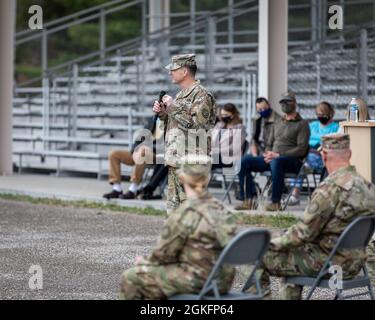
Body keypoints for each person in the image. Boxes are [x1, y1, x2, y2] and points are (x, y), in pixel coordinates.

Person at [249, 133, 375, 299]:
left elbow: (302, 234)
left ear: (323, 155)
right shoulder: (368, 186)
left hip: (327, 264)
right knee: (293, 256)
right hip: (354, 264)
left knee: (256, 256)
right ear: (349, 154)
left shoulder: (330, 189)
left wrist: (269, 243)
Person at [119, 155, 237, 300]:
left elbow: (162, 255)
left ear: (181, 178)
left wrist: (142, 262)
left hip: (198, 281)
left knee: (131, 277)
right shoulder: (222, 209)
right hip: (223, 281)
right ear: (208, 178)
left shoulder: (185, 213)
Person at [153, 54, 216, 215]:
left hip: (191, 163)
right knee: (174, 213)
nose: (170, 73)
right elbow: (175, 126)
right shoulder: (181, 96)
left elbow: (198, 126)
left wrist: (172, 107)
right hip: (176, 160)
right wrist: (163, 113)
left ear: (184, 71)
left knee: (192, 212)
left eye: (173, 69)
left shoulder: (201, 95)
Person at [236, 92, 310, 211]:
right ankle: (249, 199)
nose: (285, 104)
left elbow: (302, 149)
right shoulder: (278, 122)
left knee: (277, 162)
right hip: (273, 158)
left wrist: (278, 155)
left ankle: (275, 202)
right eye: (282, 102)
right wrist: (268, 153)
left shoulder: (303, 124)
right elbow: (269, 143)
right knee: (243, 162)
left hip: (293, 161)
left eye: (288, 101)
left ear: (295, 103)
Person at [288, 101, 340, 206]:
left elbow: (332, 144)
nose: (320, 117)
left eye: (323, 114)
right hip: (307, 153)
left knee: (302, 163)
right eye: (318, 114)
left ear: (330, 114)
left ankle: (295, 194)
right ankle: (295, 193)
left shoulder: (336, 127)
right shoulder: (312, 126)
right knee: (298, 160)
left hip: (323, 156)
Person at [103, 116, 164, 200]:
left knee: (143, 151)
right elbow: (138, 139)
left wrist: (147, 148)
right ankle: (117, 189)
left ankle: (133, 189)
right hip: (140, 152)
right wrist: (134, 150)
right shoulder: (151, 120)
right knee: (113, 154)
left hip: (156, 155)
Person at [211, 103, 246, 171]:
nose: (223, 117)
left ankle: (199, 180)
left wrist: (216, 151)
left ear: (232, 115)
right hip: (215, 156)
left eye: (226, 115)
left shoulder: (240, 128)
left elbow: (235, 148)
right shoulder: (219, 125)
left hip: (229, 158)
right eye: (222, 115)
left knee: (205, 162)